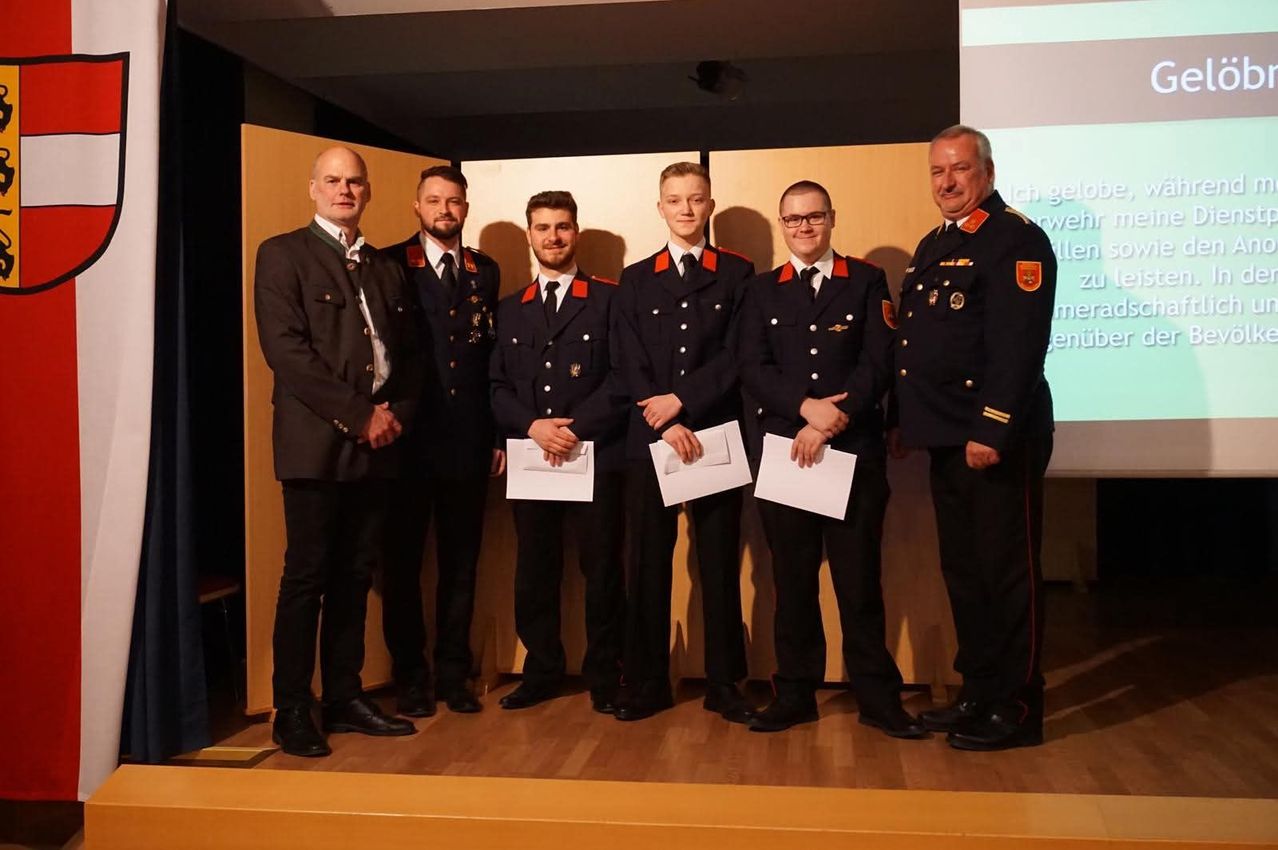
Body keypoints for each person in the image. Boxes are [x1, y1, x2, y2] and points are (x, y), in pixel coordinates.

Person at [738, 180, 925, 739]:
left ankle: (877, 698)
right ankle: (794, 694)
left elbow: (879, 361)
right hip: (786, 454)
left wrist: (832, 420)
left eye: (813, 216)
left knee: (859, 583)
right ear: (782, 224)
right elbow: (752, 366)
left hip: (852, 452)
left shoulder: (866, 280)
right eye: (793, 219)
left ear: (832, 218)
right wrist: (805, 409)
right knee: (792, 585)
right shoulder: (761, 290)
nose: (804, 227)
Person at [889, 125, 1057, 751]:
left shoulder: (1016, 238)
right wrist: (904, 420)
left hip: (994, 439)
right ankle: (979, 691)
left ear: (986, 171)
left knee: (1007, 574)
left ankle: (1017, 706)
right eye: (937, 171)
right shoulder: (935, 243)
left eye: (959, 168)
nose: (947, 182)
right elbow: (918, 344)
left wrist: (993, 427)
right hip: (945, 436)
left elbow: (1019, 346)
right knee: (964, 571)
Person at [254, 146, 419, 757]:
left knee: (355, 575)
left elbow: (409, 355)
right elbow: (287, 352)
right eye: (333, 181)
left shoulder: (384, 266)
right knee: (307, 577)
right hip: (316, 445)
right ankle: (293, 708)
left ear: (367, 191)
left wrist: (394, 417)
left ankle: (345, 698)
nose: (344, 190)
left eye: (354, 182)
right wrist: (359, 415)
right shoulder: (282, 254)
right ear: (313, 189)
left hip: (379, 444)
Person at [610, 162, 754, 723]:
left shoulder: (738, 273)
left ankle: (725, 683)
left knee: (718, 563)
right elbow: (625, 356)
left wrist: (683, 402)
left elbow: (740, 354)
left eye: (696, 199)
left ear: (710, 205)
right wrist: (663, 417)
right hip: (652, 435)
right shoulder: (635, 278)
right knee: (647, 562)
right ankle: (646, 681)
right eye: (675, 200)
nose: (686, 209)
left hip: (714, 432)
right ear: (660, 208)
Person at [489, 190, 628, 713]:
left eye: (563, 227)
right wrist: (532, 426)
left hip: (594, 455)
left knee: (602, 570)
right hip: (532, 457)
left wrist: (573, 430)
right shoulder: (510, 309)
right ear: (530, 234)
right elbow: (496, 386)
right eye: (543, 228)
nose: (553, 237)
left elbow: (622, 377)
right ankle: (542, 670)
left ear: (577, 232)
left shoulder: (610, 300)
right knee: (535, 570)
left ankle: (604, 674)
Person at [382, 165, 502, 717]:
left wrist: (497, 434)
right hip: (406, 442)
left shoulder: (485, 270)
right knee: (402, 565)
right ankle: (410, 676)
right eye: (434, 200)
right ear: (417, 206)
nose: (444, 210)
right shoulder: (389, 264)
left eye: (453, 201)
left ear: (465, 207)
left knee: (461, 564)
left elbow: (490, 358)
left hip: (467, 440)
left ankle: (454, 673)